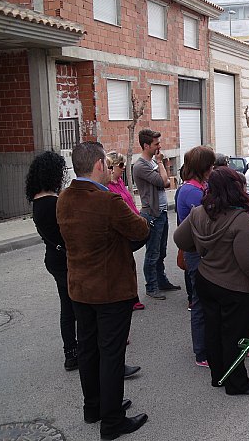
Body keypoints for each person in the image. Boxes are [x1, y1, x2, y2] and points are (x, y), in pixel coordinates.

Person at [57, 142, 149, 439]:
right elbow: (140, 230)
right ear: (98, 164)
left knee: (88, 350)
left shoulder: (64, 198)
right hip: (110, 290)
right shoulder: (107, 201)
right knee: (111, 354)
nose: (109, 169)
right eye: (107, 165)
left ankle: (94, 407)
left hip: (80, 288)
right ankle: (112, 421)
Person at [173, 167, 249, 396]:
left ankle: (219, 376)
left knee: (213, 331)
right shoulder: (241, 220)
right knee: (236, 336)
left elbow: (180, 239)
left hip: (207, 280)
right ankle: (237, 383)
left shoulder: (199, 213)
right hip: (237, 287)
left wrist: (201, 248)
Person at [25, 151, 78, 371]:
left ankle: (71, 353)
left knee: (67, 308)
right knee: (78, 307)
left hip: (53, 258)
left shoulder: (37, 200)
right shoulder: (54, 202)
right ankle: (81, 351)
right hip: (66, 260)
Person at [176, 146, 216, 368]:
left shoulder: (200, 186)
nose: (212, 168)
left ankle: (207, 345)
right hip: (197, 251)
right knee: (201, 303)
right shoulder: (192, 191)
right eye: (209, 165)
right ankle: (201, 352)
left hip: (202, 250)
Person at [132, 128, 180, 300]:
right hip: (152, 214)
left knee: (161, 251)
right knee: (152, 254)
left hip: (161, 212)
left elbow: (167, 180)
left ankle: (161, 281)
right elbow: (165, 182)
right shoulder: (141, 166)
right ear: (146, 145)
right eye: (156, 144)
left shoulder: (152, 163)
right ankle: (151, 287)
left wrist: (161, 165)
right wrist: (161, 164)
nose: (159, 146)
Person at [106, 151, 145, 311]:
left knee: (129, 264)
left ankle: (132, 297)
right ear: (112, 167)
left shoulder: (120, 181)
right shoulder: (107, 187)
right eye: (120, 165)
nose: (123, 168)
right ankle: (126, 298)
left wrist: (138, 216)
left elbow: (129, 202)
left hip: (131, 226)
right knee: (123, 266)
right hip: (121, 232)